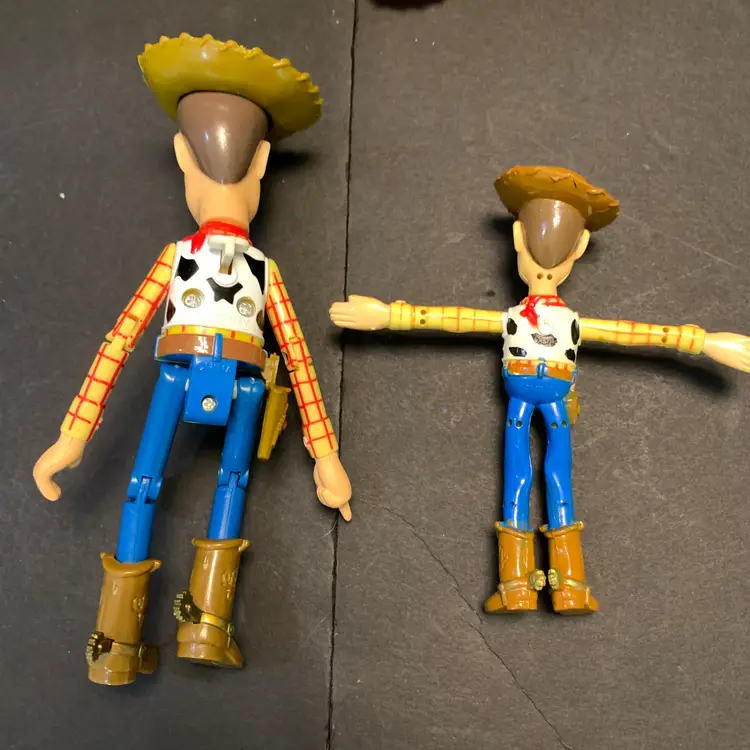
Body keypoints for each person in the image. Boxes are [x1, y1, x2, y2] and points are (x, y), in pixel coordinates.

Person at [33, 34, 351, 685]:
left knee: (152, 486)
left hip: (203, 380)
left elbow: (120, 340)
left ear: (183, 159)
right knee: (210, 484)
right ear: (263, 165)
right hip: (225, 382)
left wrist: (76, 432)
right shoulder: (245, 269)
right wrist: (325, 455)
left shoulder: (200, 263)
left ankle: (135, 640)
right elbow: (298, 359)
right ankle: (180, 630)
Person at [329, 165, 749, 616]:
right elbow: (635, 333)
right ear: (577, 248)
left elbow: (452, 319)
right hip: (537, 401)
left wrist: (705, 342)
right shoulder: (539, 320)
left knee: (539, 474)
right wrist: (389, 315)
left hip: (540, 401)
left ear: (520, 240)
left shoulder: (542, 320)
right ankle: (541, 585)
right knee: (535, 473)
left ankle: (546, 585)